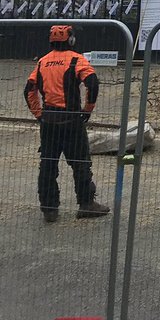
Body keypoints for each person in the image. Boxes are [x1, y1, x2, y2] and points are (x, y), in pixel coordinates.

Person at [24, 24, 110, 222]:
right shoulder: (76, 59)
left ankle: (49, 208)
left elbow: (29, 90)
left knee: (47, 164)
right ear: (70, 40)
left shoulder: (42, 62)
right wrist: (87, 110)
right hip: (72, 119)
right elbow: (92, 83)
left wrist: (39, 114)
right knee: (80, 163)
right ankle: (86, 203)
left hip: (49, 121)